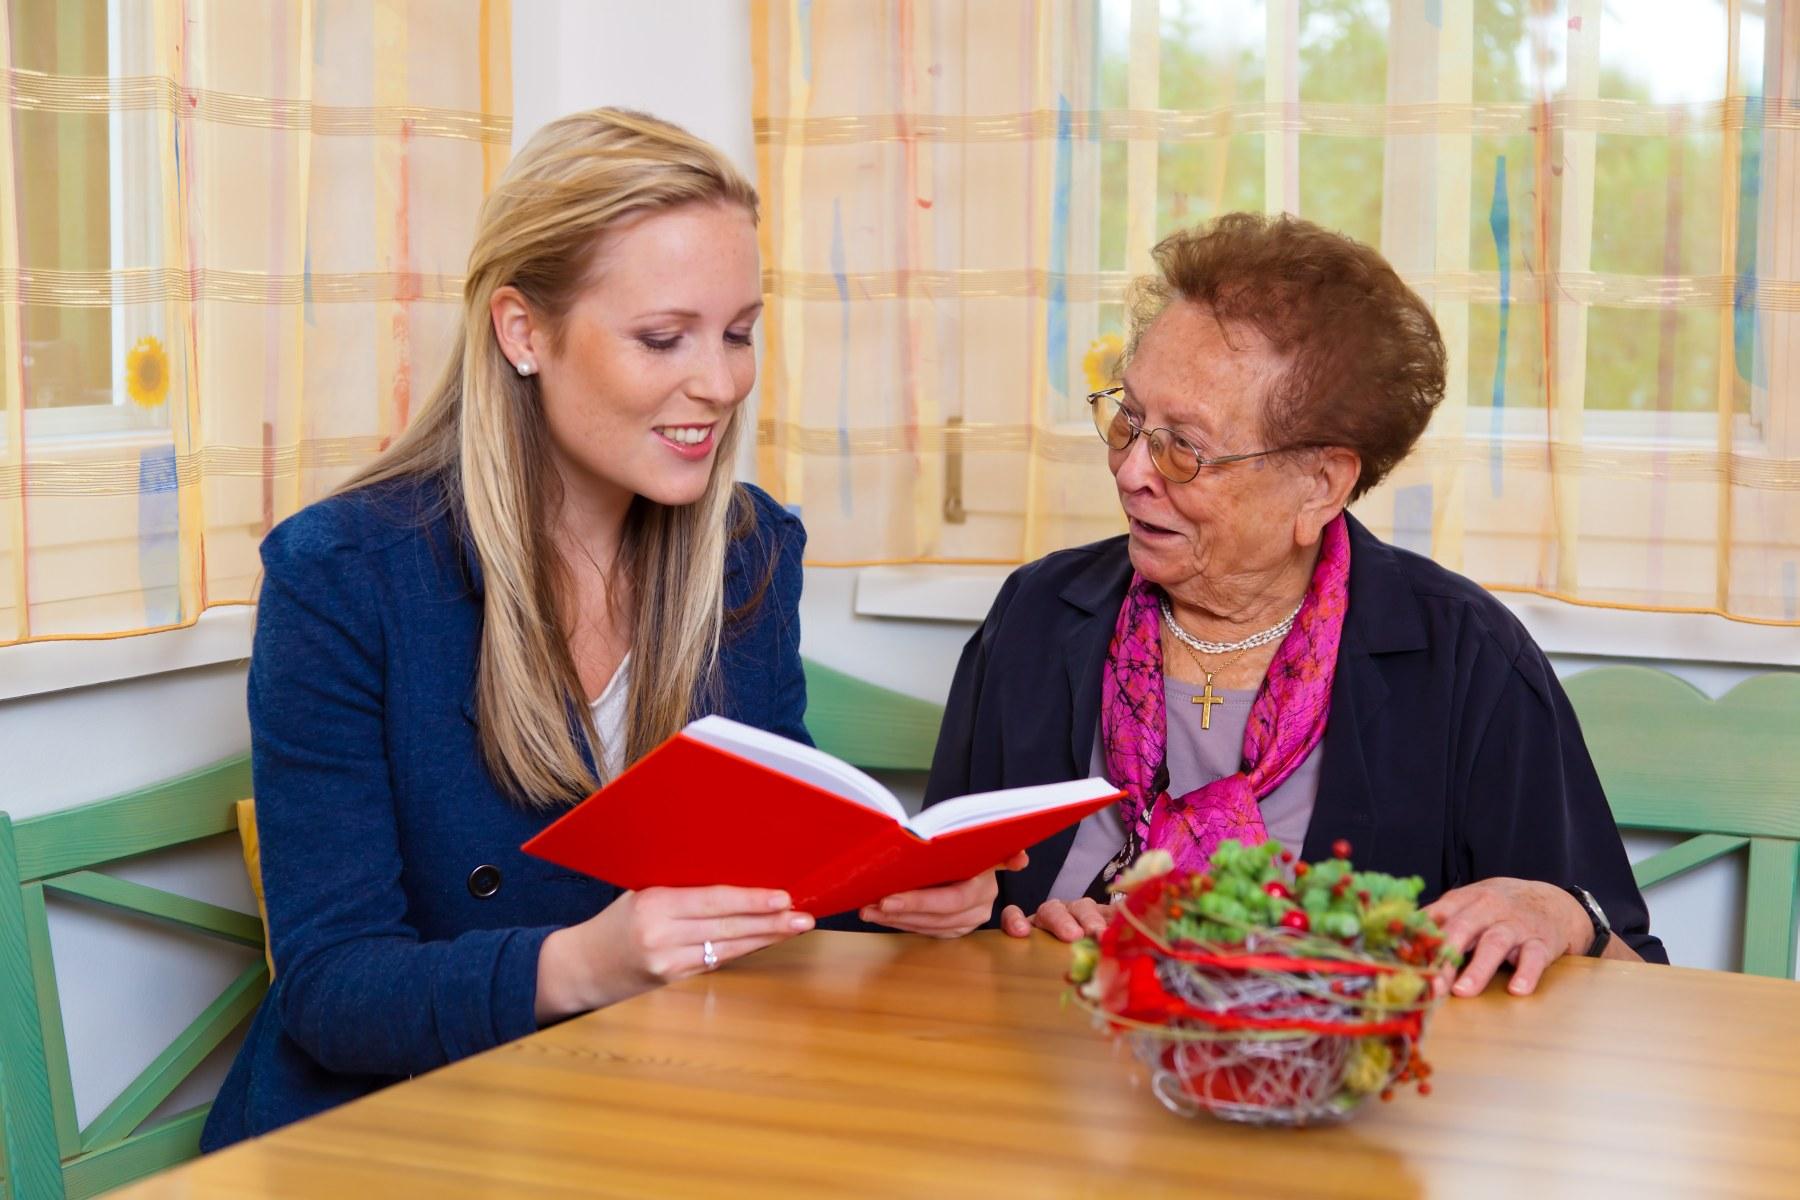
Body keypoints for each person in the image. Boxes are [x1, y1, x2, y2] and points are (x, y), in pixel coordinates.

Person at [203, 109, 1008, 1150]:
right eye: (663, 338)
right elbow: (332, 985)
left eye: (739, 332)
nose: (718, 382)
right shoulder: (344, 577)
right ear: (522, 332)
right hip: (400, 1132)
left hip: (643, 1106)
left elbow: (770, 875)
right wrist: (583, 964)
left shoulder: (746, 550)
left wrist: (892, 893)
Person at [924, 212, 1666, 1000]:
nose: (1132, 470)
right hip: (1042, 1085)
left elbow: (1634, 986)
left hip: (1329, 1101)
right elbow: (937, 909)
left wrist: (1563, 912)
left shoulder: (1463, 659)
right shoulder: (1042, 614)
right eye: (1129, 420)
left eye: (1185, 447)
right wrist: (993, 927)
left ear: (1321, 484)